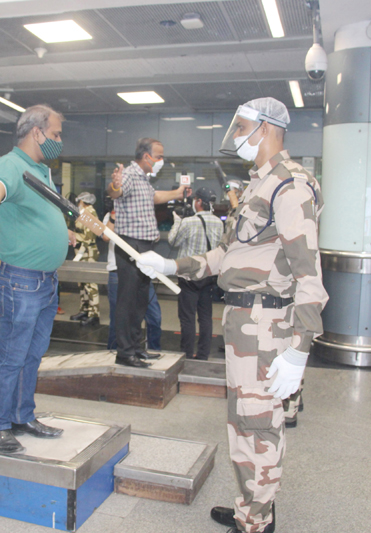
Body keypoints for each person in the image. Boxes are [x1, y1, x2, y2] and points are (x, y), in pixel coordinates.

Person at [137, 97, 327, 533]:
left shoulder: (289, 185)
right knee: (243, 422)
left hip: (265, 324)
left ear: (267, 128)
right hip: (245, 324)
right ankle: (251, 509)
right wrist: (171, 266)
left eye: (242, 126)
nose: (236, 135)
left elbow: (310, 275)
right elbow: (228, 254)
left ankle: (256, 524)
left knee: (258, 427)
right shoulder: (260, 184)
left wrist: (299, 350)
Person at [0, 104, 76, 455]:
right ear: (36, 132)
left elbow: (36, 213)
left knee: (33, 354)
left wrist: (61, 231)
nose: (59, 141)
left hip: (46, 280)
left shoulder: (39, 169)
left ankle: (22, 416)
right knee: (12, 355)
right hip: (21, 282)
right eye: (56, 134)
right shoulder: (10, 165)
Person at [107, 138, 190, 368]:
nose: (162, 161)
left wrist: (177, 193)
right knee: (128, 300)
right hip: (131, 245)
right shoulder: (130, 174)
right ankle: (124, 353)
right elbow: (116, 192)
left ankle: (136, 348)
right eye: (159, 156)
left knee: (141, 300)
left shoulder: (144, 180)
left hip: (144, 247)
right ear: (146, 157)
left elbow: (154, 197)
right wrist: (114, 185)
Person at [168, 187, 223, 360]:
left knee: (187, 318)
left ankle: (186, 354)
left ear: (198, 202)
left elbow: (173, 241)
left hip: (188, 277)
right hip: (208, 275)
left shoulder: (189, 222)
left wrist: (177, 221)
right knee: (205, 317)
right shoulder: (219, 222)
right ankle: (203, 354)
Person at [102, 198, 162, 352]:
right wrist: (115, 214)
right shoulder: (112, 215)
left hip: (141, 272)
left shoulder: (142, 216)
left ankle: (152, 350)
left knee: (153, 316)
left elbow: (155, 237)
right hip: (118, 272)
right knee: (119, 319)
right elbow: (106, 236)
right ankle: (113, 353)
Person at [70, 192, 101, 327]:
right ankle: (85, 310)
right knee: (82, 283)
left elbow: (89, 238)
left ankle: (94, 314)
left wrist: (71, 236)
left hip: (88, 251)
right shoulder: (83, 212)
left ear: (83, 201)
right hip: (81, 251)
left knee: (90, 284)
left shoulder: (90, 213)